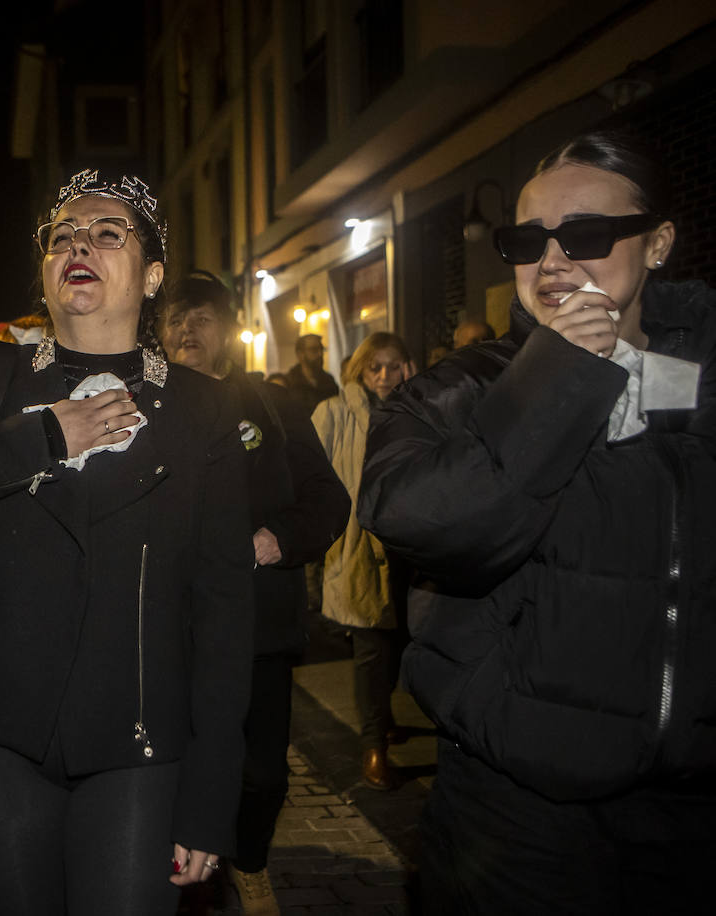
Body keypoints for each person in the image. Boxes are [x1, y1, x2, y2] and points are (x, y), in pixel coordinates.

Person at [0, 170, 254, 915]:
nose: (80, 244)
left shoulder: (202, 408)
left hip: (139, 739)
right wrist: (41, 436)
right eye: (62, 237)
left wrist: (211, 797)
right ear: (45, 271)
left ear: (151, 276)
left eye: (108, 233)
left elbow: (224, 612)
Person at [358, 129, 716, 913]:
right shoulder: (464, 385)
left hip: (690, 803)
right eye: (528, 241)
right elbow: (413, 517)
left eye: (586, 235)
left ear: (657, 244)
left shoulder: (701, 375)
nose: (552, 262)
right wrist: (554, 377)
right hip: (519, 811)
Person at [159, 272, 348, 915]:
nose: (188, 329)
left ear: (228, 329)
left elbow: (329, 498)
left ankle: (252, 860)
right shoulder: (144, 408)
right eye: (176, 318)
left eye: (203, 317)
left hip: (258, 628)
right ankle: (176, 869)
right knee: (170, 762)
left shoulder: (271, 405)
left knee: (262, 771)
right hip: (167, 627)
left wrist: (275, 539)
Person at [311, 332, 414, 790]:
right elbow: (314, 482)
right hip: (359, 549)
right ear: (359, 369)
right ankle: (374, 745)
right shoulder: (333, 413)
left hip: (409, 546)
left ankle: (384, 716)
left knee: (400, 641)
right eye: (376, 367)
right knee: (372, 649)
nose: (385, 376)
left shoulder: (415, 410)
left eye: (395, 366)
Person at [284, 334, 339, 414]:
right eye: (314, 350)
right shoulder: (289, 382)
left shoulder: (329, 382)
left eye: (322, 349)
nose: (320, 354)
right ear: (300, 354)